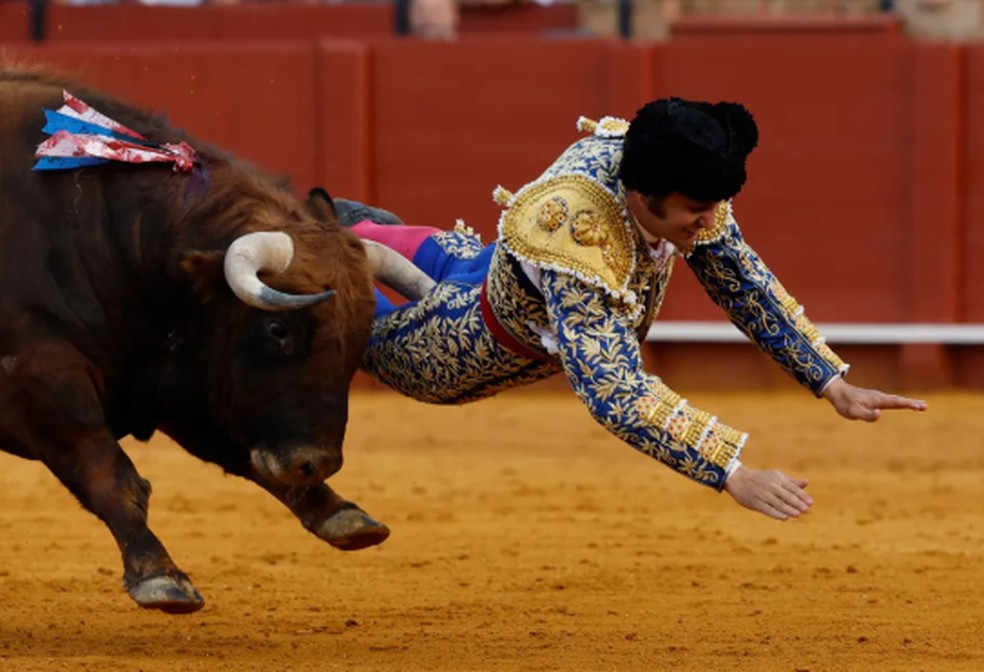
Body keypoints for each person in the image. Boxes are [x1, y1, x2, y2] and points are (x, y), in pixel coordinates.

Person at [308, 98, 927, 523]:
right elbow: (616, 391)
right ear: (640, 196)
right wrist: (731, 471)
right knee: (309, 296)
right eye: (695, 211)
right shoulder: (579, 235)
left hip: (475, 265)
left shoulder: (675, 172)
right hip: (447, 348)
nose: (709, 223)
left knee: (355, 231)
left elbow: (741, 278)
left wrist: (831, 381)